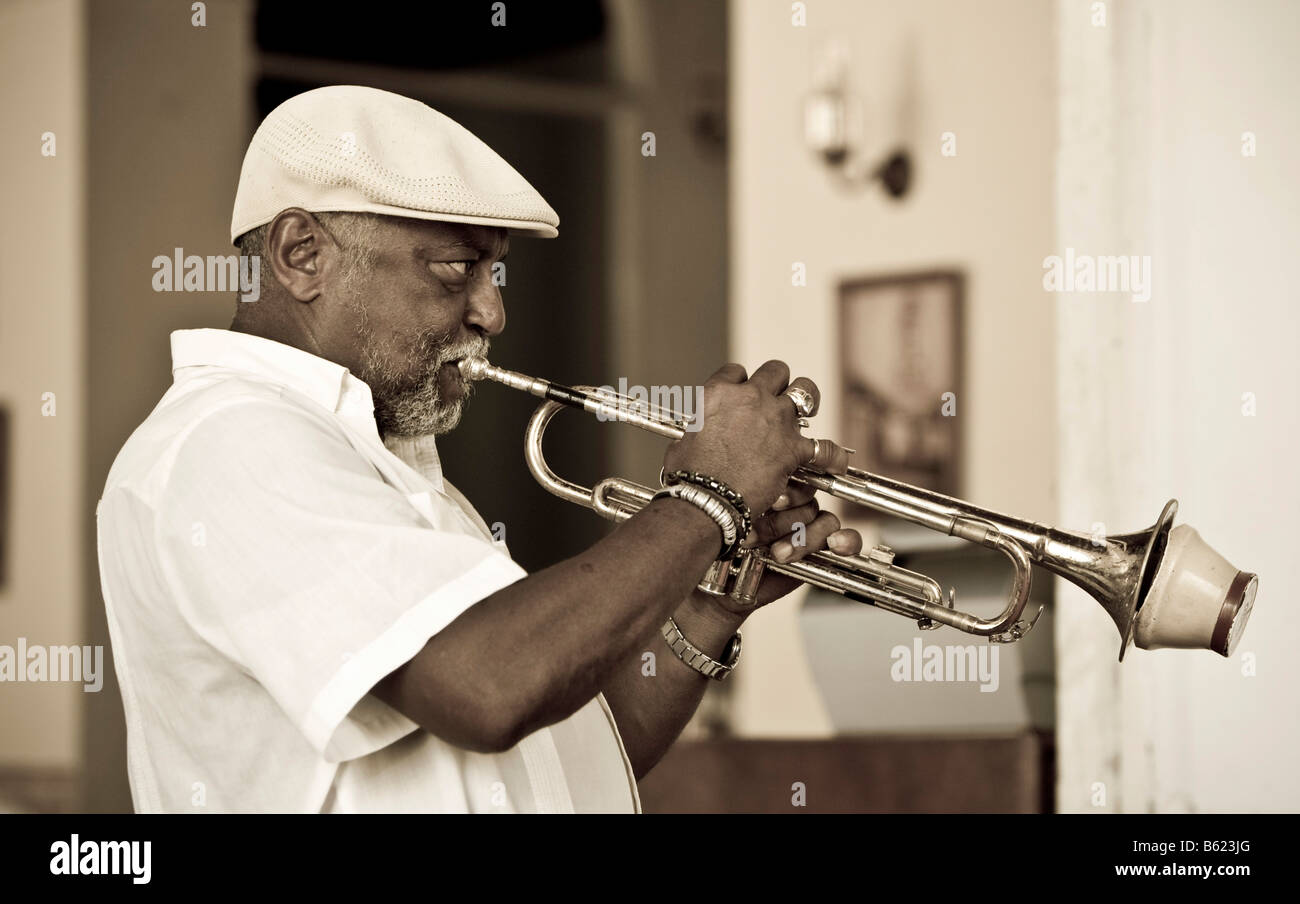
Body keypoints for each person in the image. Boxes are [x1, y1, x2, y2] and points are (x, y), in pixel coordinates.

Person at [96, 85, 861, 813]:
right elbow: (489, 692)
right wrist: (704, 501)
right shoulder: (228, 441)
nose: (493, 311)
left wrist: (707, 600)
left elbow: (566, 758)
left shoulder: (377, 458)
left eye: (494, 273)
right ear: (303, 255)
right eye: (457, 269)